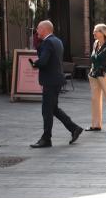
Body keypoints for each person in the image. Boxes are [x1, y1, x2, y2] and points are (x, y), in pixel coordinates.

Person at [29, 20, 83, 148]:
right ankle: (74, 128)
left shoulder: (47, 42)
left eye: (38, 29)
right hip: (56, 80)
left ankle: (46, 139)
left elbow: (43, 61)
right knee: (53, 109)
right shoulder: (57, 41)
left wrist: (35, 64)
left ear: (44, 29)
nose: (36, 31)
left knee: (46, 110)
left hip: (50, 81)